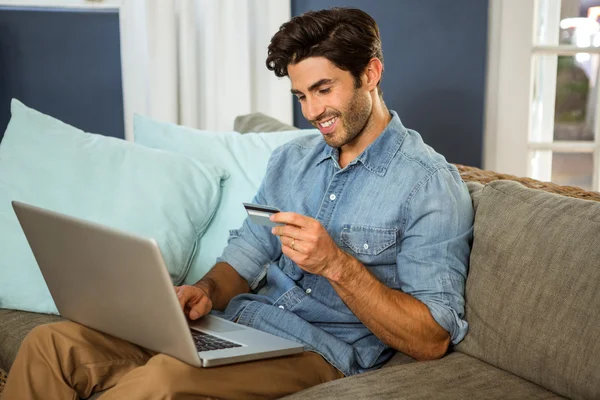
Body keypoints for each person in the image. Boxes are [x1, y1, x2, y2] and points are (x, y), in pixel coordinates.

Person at [2, 7, 473, 400]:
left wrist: (337, 265)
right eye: (300, 95)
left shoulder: (428, 185)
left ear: (370, 73)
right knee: (52, 345)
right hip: (238, 325)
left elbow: (431, 338)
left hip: (320, 354)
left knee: (163, 382)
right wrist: (206, 290)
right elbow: (247, 252)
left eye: (324, 89)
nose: (311, 113)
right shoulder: (292, 160)